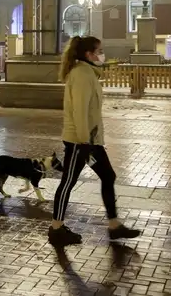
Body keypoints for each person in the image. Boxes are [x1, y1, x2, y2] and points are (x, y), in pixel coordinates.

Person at [48, 36, 141, 246]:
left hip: (91, 141)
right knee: (68, 182)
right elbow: (79, 111)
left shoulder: (88, 73)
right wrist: (83, 143)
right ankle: (56, 228)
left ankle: (114, 226)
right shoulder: (81, 74)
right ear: (89, 54)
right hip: (80, 142)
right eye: (99, 50)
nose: (102, 54)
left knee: (107, 176)